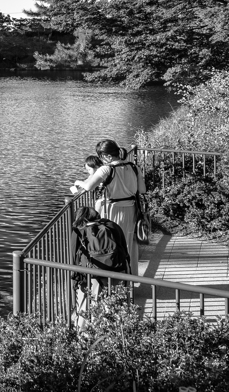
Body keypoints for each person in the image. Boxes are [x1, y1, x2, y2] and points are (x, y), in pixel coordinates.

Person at [69, 138, 146, 273]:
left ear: (107, 156)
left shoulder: (106, 169)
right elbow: (143, 189)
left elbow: (89, 186)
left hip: (112, 210)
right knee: (129, 244)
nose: (101, 160)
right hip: (131, 210)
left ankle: (115, 281)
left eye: (101, 156)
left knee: (112, 243)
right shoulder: (134, 167)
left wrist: (78, 182)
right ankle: (130, 279)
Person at [71, 207, 130, 324]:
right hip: (117, 270)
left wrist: (75, 280)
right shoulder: (112, 225)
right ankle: (118, 334)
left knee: (89, 306)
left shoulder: (79, 230)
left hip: (92, 275)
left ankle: (85, 335)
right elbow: (124, 250)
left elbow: (73, 258)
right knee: (116, 306)